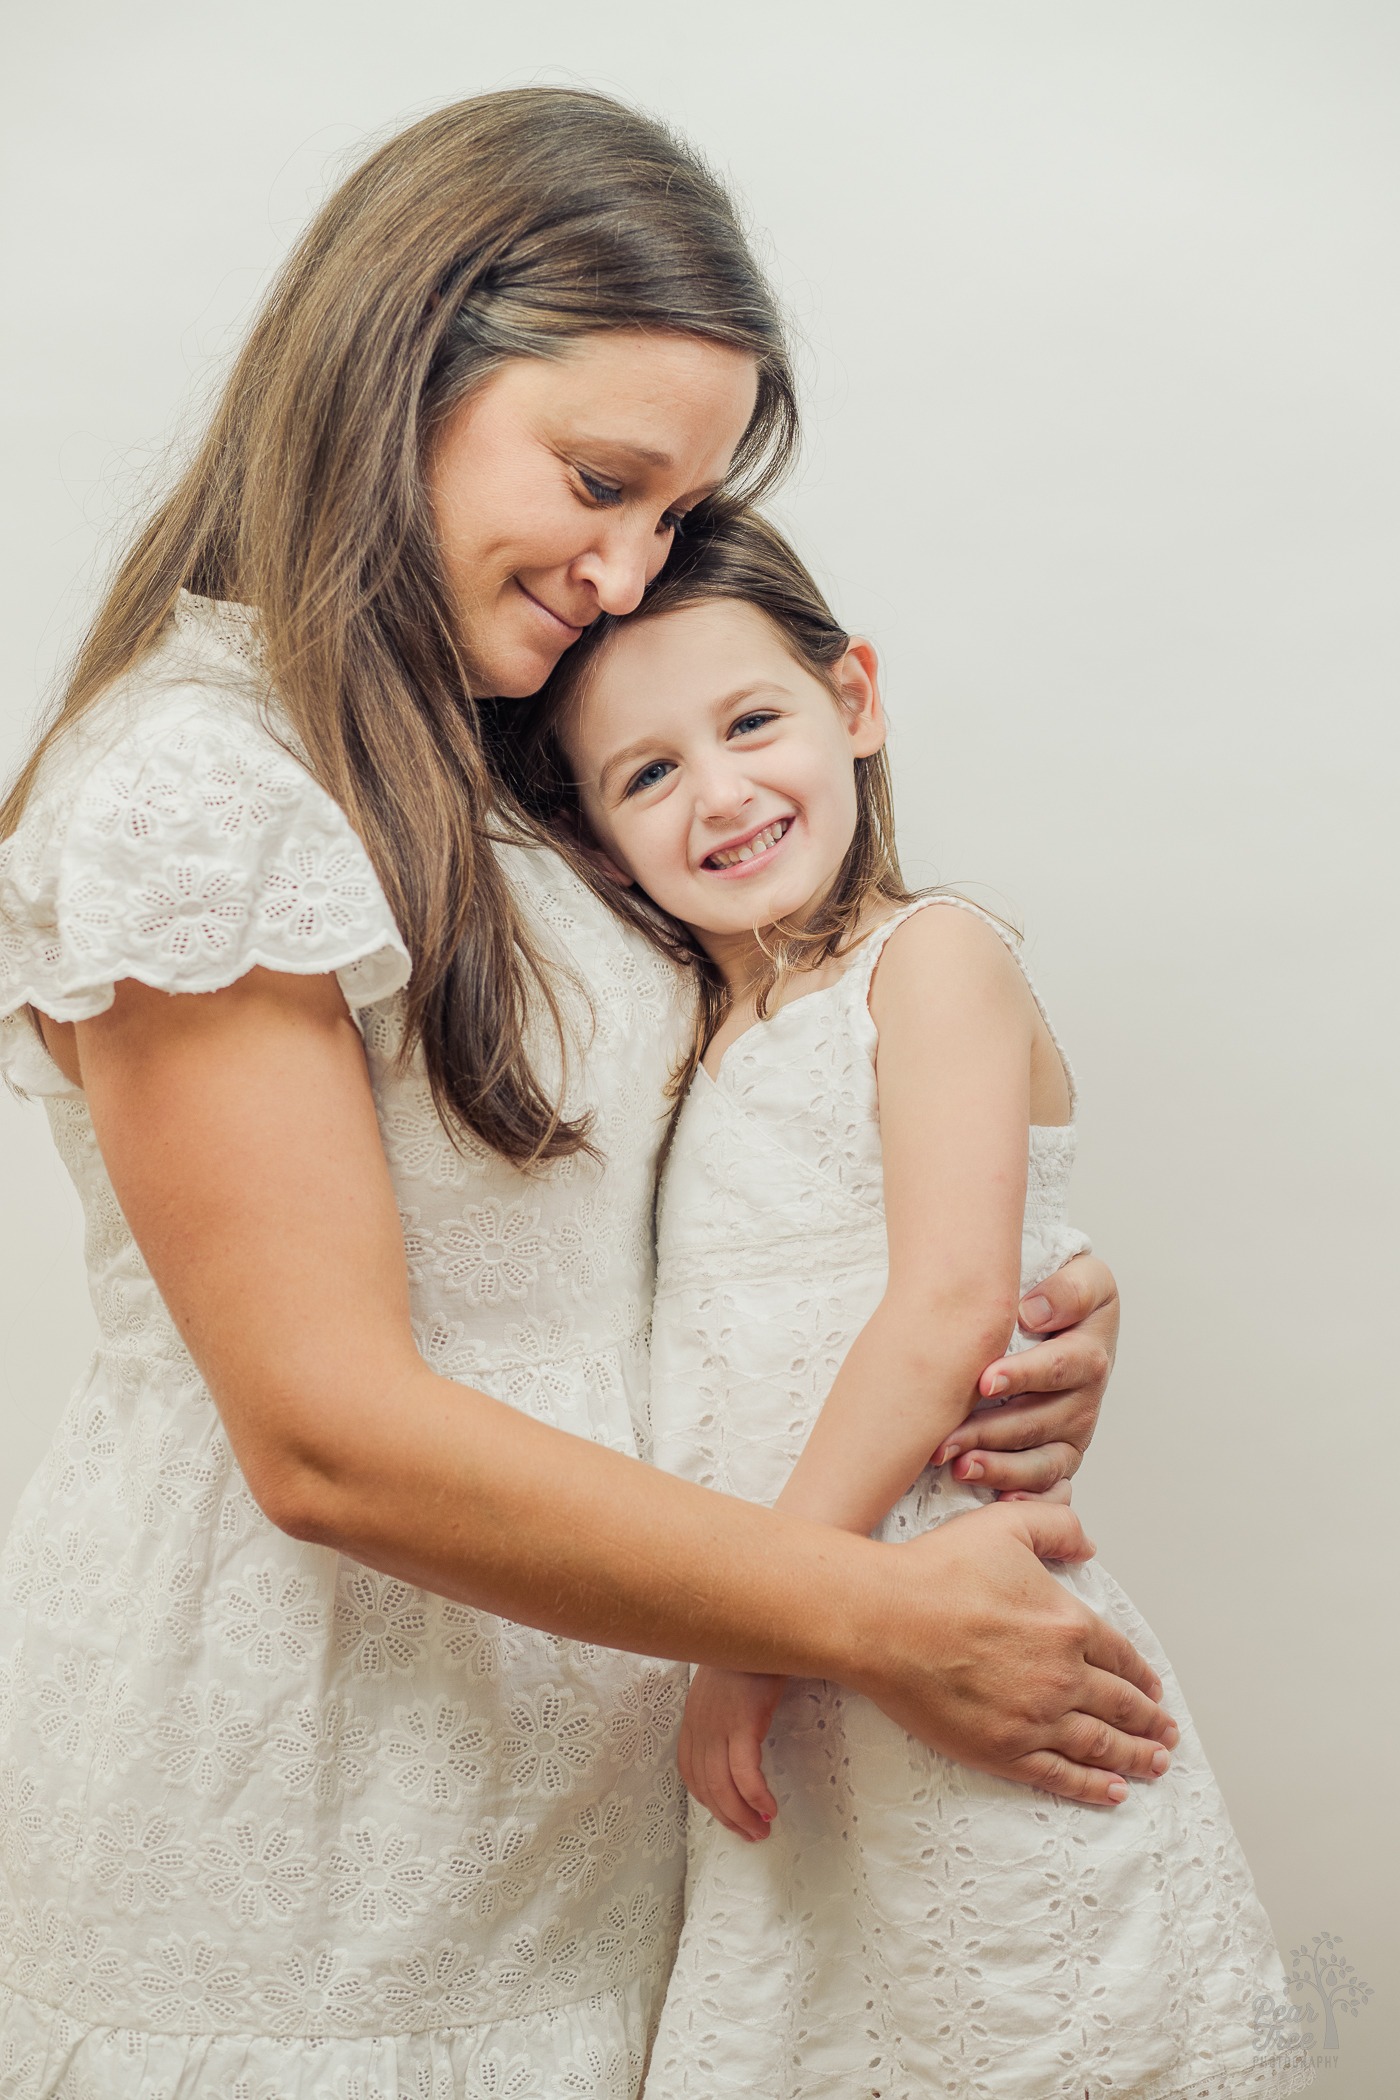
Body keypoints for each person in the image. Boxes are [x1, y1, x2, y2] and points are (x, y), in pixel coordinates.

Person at [0, 91, 1167, 2098]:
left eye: (666, 517)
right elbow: (326, 1439)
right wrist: (872, 1619)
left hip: (595, 1810)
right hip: (319, 1822)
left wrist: (1003, 1294)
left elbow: (687, 1172)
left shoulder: (494, 772)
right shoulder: (201, 785)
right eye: (603, 480)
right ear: (401, 363)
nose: (630, 576)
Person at [521, 508, 1309, 2100]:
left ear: (855, 702)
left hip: (935, 1629)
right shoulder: (692, 1045)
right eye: (650, 772)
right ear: (603, 842)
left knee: (1022, 2020)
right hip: (809, 1693)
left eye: (753, 722)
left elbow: (950, 1306)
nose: (723, 791)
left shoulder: (930, 960)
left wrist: (752, 1636)